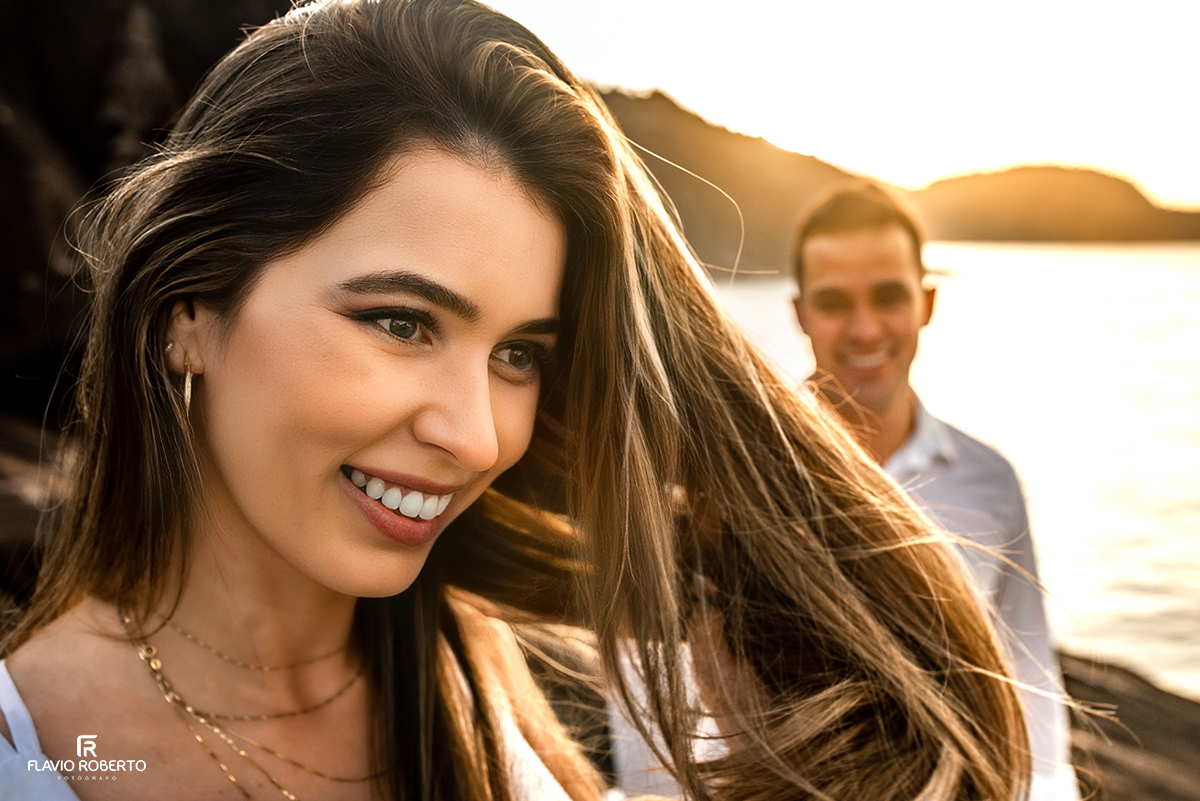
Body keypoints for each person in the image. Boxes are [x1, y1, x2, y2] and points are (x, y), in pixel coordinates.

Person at [0, 2, 1029, 799]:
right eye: (401, 322)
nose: (477, 436)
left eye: (520, 354)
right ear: (186, 310)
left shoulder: (486, 705)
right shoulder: (35, 751)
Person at [790, 182, 1079, 799]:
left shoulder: (989, 483)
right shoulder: (739, 473)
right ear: (800, 314)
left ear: (926, 303)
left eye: (888, 296)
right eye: (835, 302)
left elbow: (1030, 691)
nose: (865, 329)